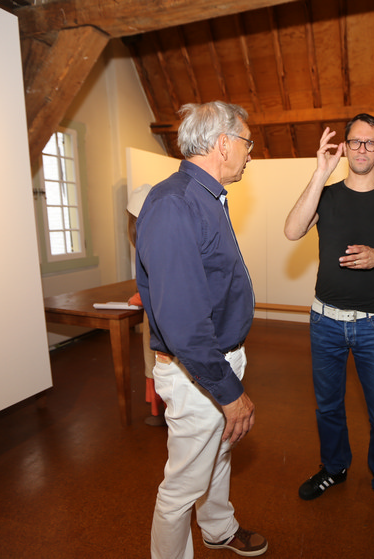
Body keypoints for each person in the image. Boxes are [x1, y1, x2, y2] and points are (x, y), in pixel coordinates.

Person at [135, 101, 267, 559]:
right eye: (247, 143)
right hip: (196, 371)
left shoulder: (205, 195)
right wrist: (228, 391)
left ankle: (217, 527)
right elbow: (184, 323)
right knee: (183, 485)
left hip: (216, 358)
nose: (250, 153)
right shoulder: (174, 204)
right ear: (223, 144)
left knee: (220, 453)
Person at [284, 113, 374, 534]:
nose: (362, 149)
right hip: (324, 320)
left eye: (370, 143)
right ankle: (334, 467)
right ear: (344, 147)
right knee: (328, 406)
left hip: (373, 325)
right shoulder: (325, 195)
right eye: (355, 142)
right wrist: (319, 173)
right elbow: (291, 231)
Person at [125, 183, 165, 427]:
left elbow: (156, 283)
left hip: (158, 317)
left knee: (158, 362)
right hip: (162, 314)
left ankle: (162, 411)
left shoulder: (148, 245)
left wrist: (138, 298)